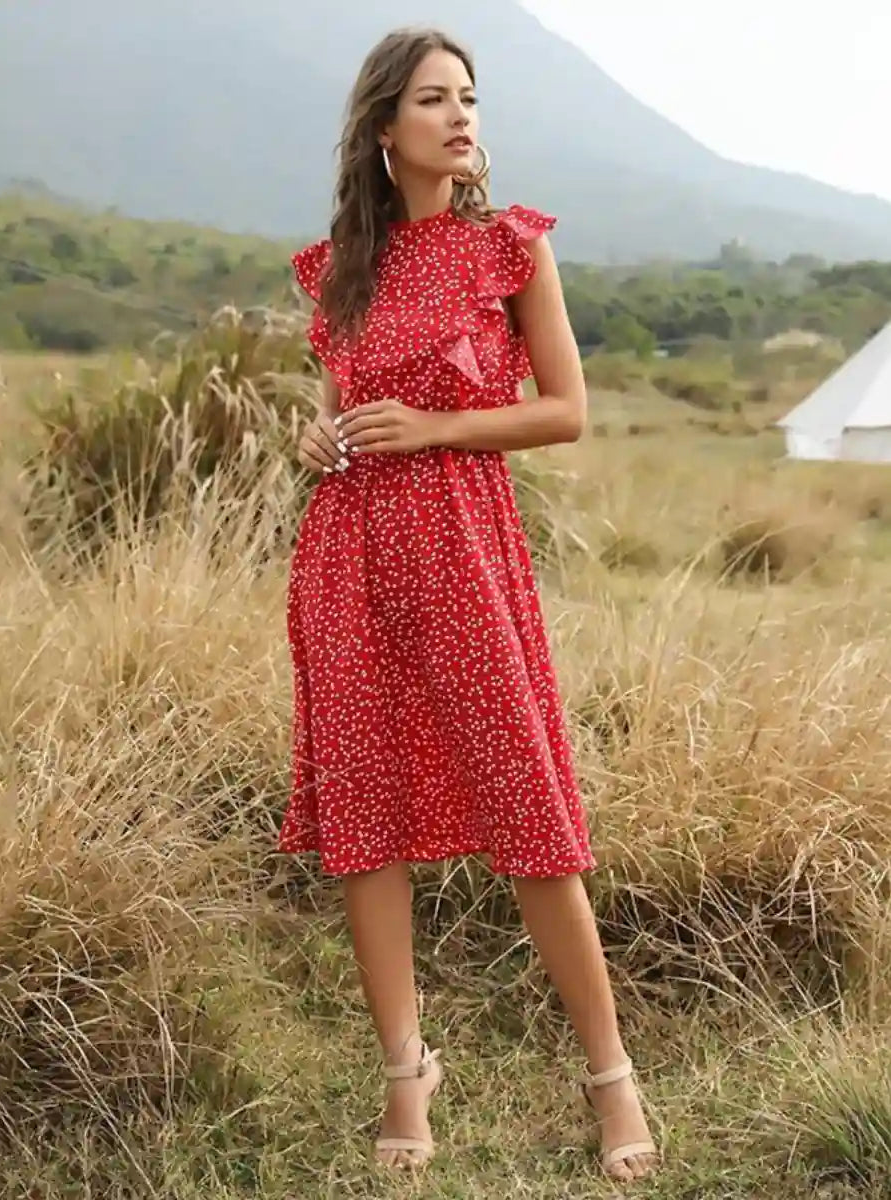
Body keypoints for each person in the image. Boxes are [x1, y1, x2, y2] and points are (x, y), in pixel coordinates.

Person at [279, 26, 659, 1186]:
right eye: (434, 100)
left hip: (464, 549)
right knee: (367, 819)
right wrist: (320, 434)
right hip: (349, 554)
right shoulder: (332, 269)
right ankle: (406, 1071)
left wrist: (436, 427)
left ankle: (611, 1077)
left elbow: (566, 411)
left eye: (471, 99)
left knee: (529, 810)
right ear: (383, 126)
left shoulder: (509, 248)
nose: (461, 118)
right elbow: (342, 407)